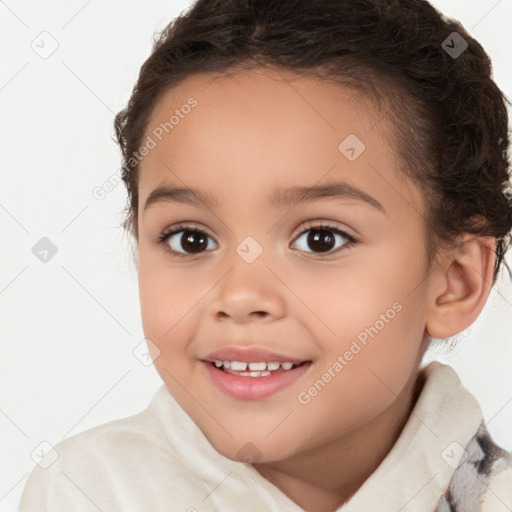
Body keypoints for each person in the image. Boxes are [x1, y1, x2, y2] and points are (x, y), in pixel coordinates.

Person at [19, 0, 512, 510]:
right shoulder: (85, 493)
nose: (240, 296)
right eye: (191, 239)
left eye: (321, 238)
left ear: (456, 281)